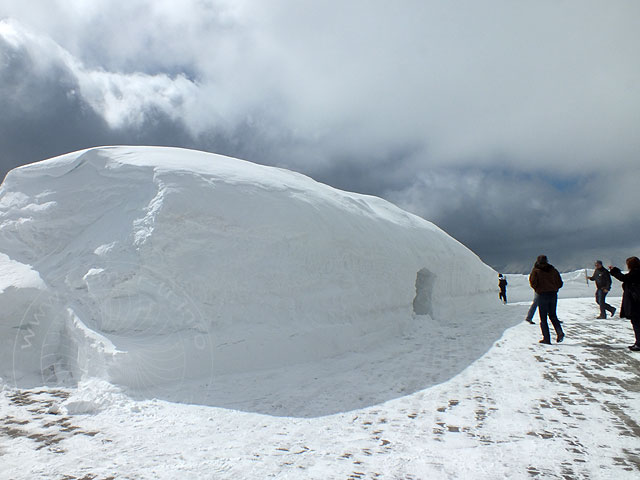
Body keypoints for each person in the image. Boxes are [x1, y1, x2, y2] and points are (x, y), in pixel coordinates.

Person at [529, 255, 564, 344]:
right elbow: (560, 283)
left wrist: (538, 290)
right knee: (553, 315)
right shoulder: (553, 270)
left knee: (543, 318)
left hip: (542, 295)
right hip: (553, 294)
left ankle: (547, 339)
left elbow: (533, 282)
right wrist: (554, 288)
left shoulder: (536, 270)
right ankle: (559, 332)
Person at [608, 257, 640, 351]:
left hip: (636, 303)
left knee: (637, 324)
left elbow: (623, 278)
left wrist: (614, 271)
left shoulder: (635, 273)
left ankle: (639, 344)